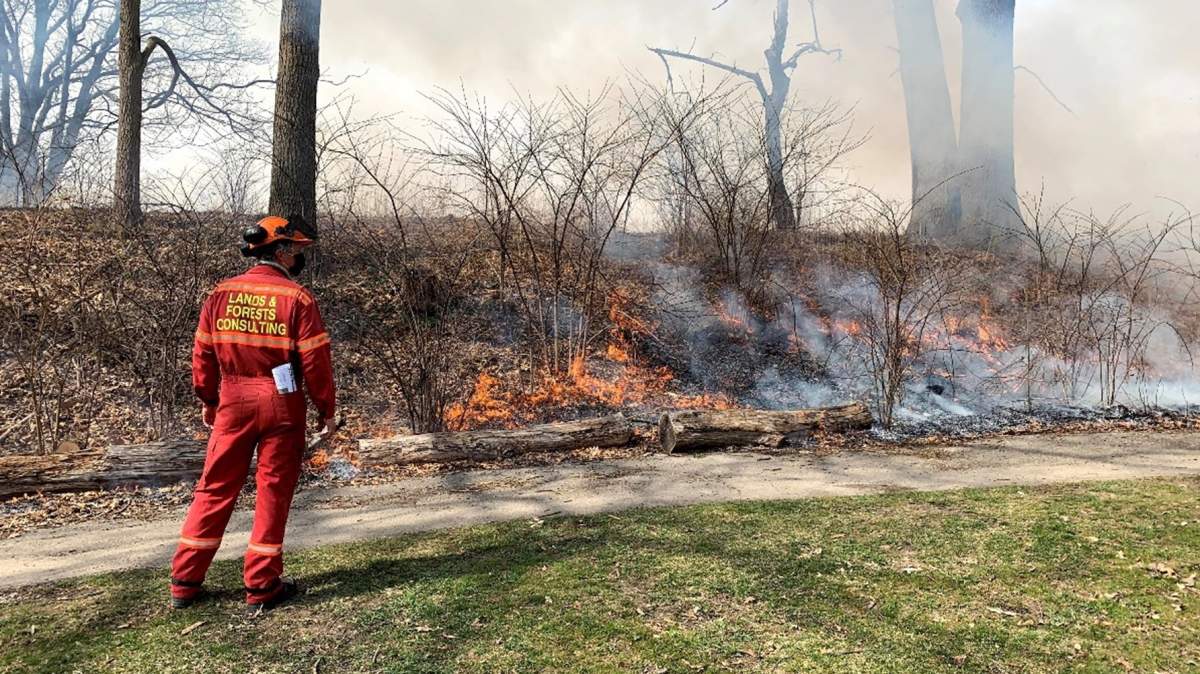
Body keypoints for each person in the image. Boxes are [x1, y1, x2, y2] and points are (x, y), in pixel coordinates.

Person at [169, 214, 336, 616]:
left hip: (233, 400)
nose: (298, 257)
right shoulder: (298, 299)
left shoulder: (219, 295)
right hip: (282, 403)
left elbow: (203, 356)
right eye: (294, 249)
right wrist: (326, 411)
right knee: (273, 491)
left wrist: (209, 401)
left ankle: (185, 581)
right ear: (279, 251)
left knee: (214, 488)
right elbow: (316, 363)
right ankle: (262, 585)